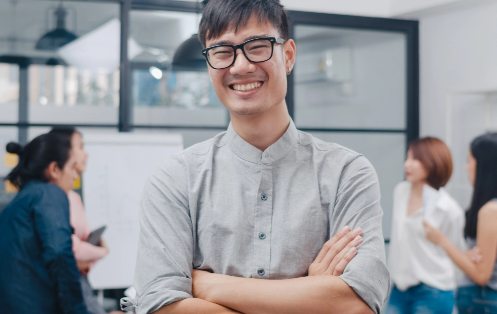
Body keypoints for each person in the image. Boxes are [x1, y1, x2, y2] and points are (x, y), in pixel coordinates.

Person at [132, 0, 390, 314]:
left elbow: (358, 304)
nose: (240, 66)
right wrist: (312, 298)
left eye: (257, 46)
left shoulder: (346, 173)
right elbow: (161, 306)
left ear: (289, 55)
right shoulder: (176, 178)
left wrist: (209, 285)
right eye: (222, 51)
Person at [423, 133, 497, 314]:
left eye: (469, 161)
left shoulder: (492, 211)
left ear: (484, 166)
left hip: (483, 301)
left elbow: (481, 275)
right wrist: (467, 255)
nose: (466, 168)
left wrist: (442, 240)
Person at [0, 133, 89, 314]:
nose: (75, 176)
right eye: (72, 168)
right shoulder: (49, 193)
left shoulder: (14, 207)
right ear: (54, 169)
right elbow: (59, 254)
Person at [386, 137, 465, 314]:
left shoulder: (449, 209)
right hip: (400, 288)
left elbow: (457, 252)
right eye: (407, 158)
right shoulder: (400, 191)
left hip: (433, 290)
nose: (407, 164)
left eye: (416, 159)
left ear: (434, 162)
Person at [49, 127, 122, 314]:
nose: (85, 153)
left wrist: (87, 259)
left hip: (80, 280)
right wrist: (101, 251)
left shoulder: (73, 197)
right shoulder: (52, 199)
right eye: (80, 147)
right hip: (67, 282)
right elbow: (69, 247)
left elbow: (81, 253)